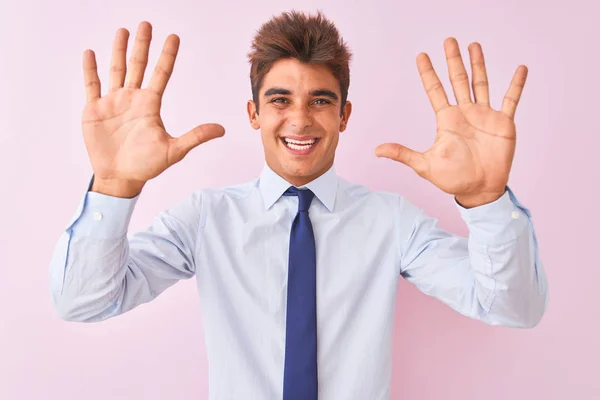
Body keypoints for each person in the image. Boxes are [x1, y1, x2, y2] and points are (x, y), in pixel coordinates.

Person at [48, 10, 548, 400]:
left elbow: (512, 307)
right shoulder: (205, 218)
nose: (300, 120)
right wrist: (112, 186)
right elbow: (84, 301)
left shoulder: (390, 222)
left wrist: (485, 199)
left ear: (345, 115)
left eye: (321, 100)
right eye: (281, 100)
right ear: (254, 112)